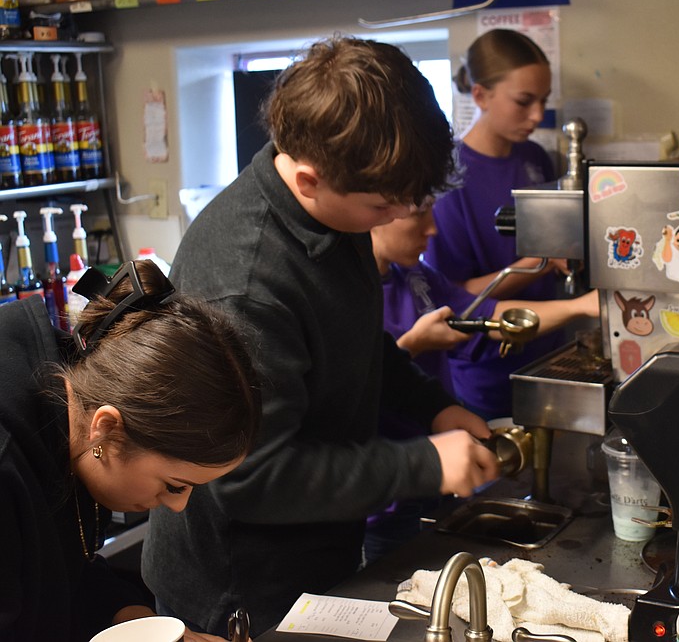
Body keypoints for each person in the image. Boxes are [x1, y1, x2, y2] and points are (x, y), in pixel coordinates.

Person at [141, 35, 500, 639]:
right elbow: (252, 479)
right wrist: (422, 464)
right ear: (308, 180)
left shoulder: (335, 207)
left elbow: (357, 344)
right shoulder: (248, 284)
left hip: (320, 558)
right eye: (384, 206)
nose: (394, 218)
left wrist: (433, 407)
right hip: (240, 592)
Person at [0, 259, 262, 642]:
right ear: (106, 428)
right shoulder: (8, 461)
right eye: (175, 485)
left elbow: (65, 571)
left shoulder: (81, 409)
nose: (178, 506)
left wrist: (135, 621)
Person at [364, 202, 599, 562]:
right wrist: (414, 344)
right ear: (378, 213)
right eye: (420, 214)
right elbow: (358, 384)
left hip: (441, 478)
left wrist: (582, 306)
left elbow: (492, 314)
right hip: (388, 501)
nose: (432, 229)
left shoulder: (417, 277)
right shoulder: (352, 294)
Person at [425, 28, 591, 419]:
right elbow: (457, 297)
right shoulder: (449, 179)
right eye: (524, 101)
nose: (537, 115)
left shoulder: (534, 158)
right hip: (487, 372)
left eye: (544, 100)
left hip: (549, 350)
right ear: (480, 94)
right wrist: (543, 261)